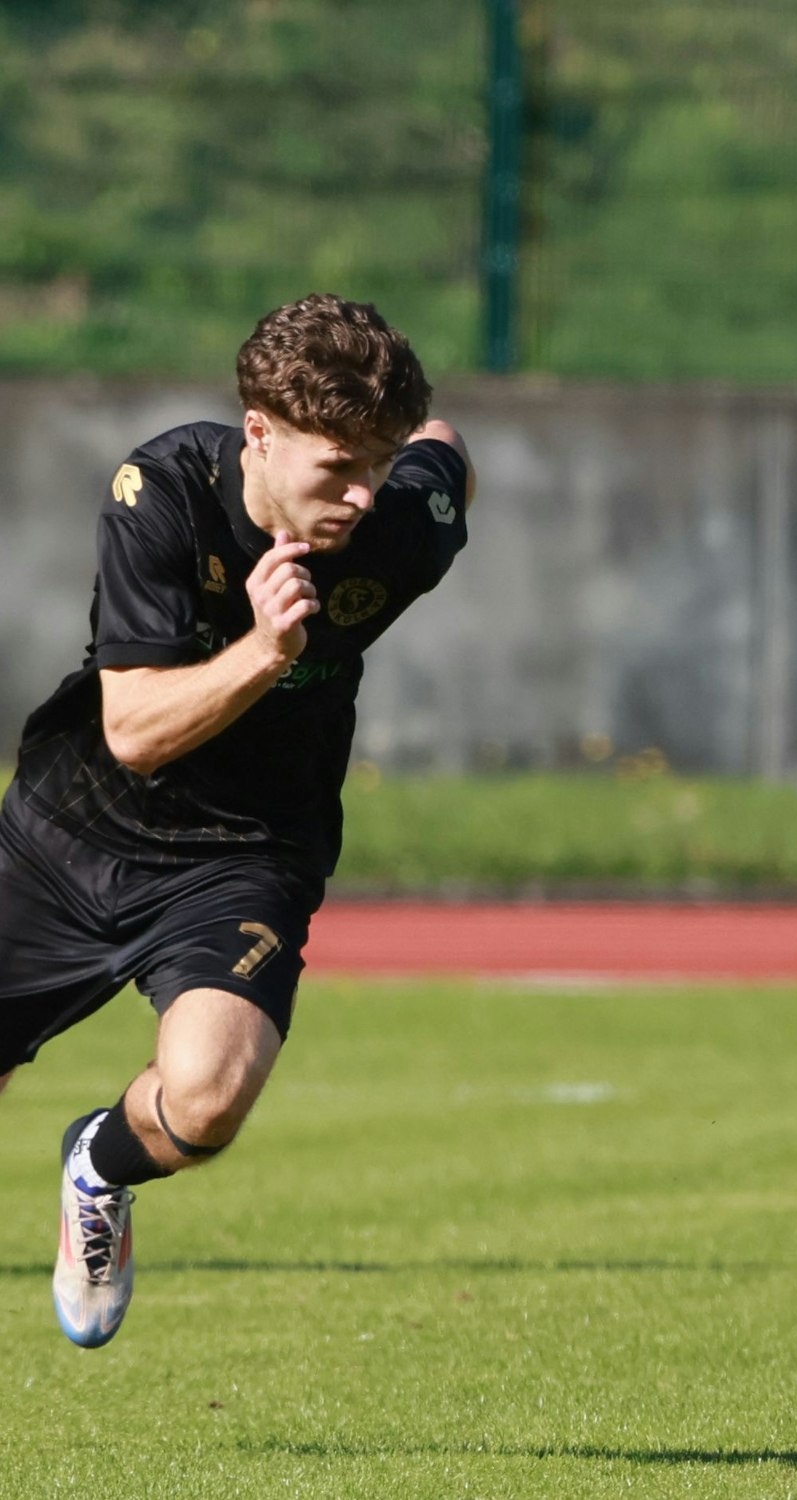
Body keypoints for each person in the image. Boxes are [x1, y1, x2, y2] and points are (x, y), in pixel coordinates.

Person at [0, 293, 474, 1347]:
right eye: (335, 466)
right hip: (70, 837)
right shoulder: (161, 492)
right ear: (259, 432)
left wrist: (422, 450)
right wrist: (267, 651)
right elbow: (132, 730)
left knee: (207, 1101)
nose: (359, 495)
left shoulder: (402, 524)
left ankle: (97, 1167)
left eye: (378, 464)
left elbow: (446, 462)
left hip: (246, 857)